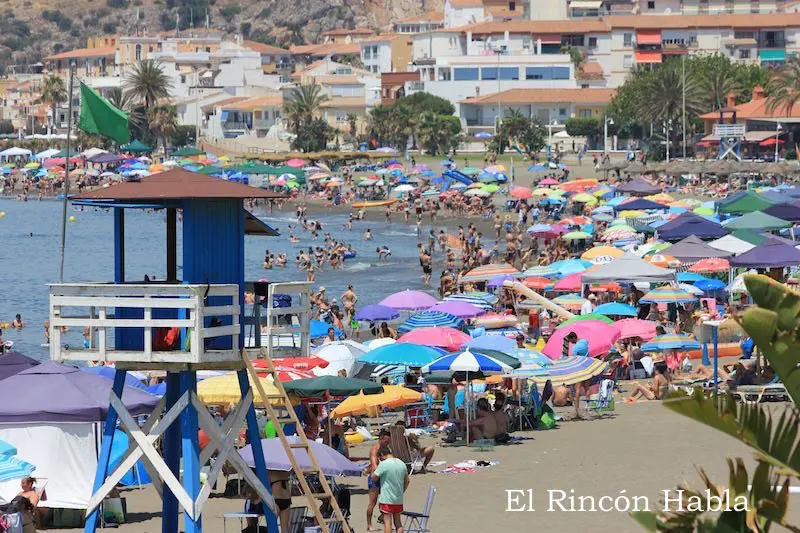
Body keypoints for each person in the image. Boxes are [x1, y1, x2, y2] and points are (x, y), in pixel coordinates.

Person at [372, 447, 410, 533]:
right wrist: (402, 491)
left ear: (381, 455)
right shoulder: (401, 463)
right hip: (398, 499)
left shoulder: (384, 464)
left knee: (387, 523)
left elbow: (374, 478)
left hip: (387, 498)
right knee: (398, 523)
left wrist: (375, 468)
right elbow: (407, 481)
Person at [366, 430, 392, 532]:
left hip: (384, 477)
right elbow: (374, 465)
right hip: (375, 477)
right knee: (372, 502)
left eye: (388, 441)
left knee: (388, 499)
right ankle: (369, 524)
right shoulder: (374, 449)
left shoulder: (387, 448)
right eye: (386, 441)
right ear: (381, 439)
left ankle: (382, 517)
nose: (387, 443)